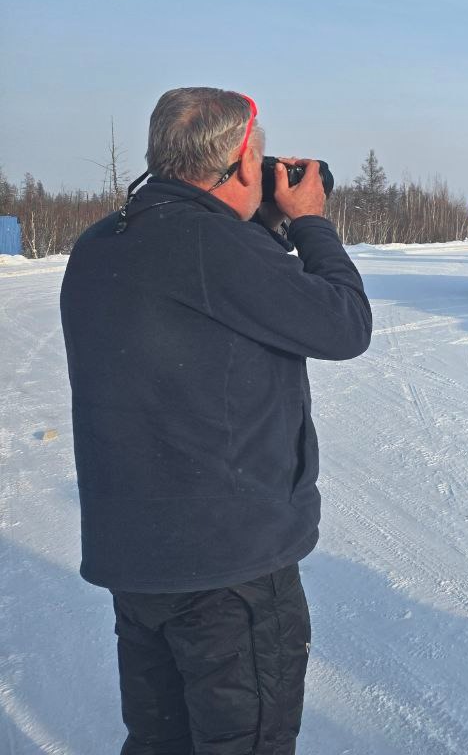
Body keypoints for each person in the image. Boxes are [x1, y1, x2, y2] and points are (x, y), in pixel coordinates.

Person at [59, 87, 372, 754]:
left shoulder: (100, 243)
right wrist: (309, 222)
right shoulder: (214, 248)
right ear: (239, 162)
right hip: (229, 573)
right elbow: (345, 325)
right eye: (259, 159)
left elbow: (201, 296)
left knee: (159, 741)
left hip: (136, 560)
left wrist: (256, 224)